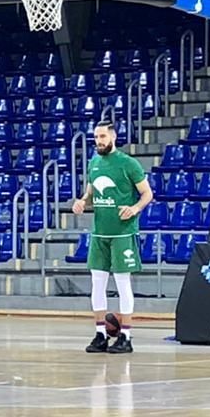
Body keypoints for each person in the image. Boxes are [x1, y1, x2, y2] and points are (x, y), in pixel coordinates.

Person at [71, 120, 152, 355]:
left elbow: (147, 193)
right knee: (97, 283)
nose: (99, 141)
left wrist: (135, 208)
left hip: (122, 233)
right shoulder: (94, 163)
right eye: (96, 137)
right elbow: (91, 191)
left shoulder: (128, 164)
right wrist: (82, 202)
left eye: (103, 137)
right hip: (99, 232)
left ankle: (126, 336)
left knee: (123, 283)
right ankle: (100, 334)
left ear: (113, 137)